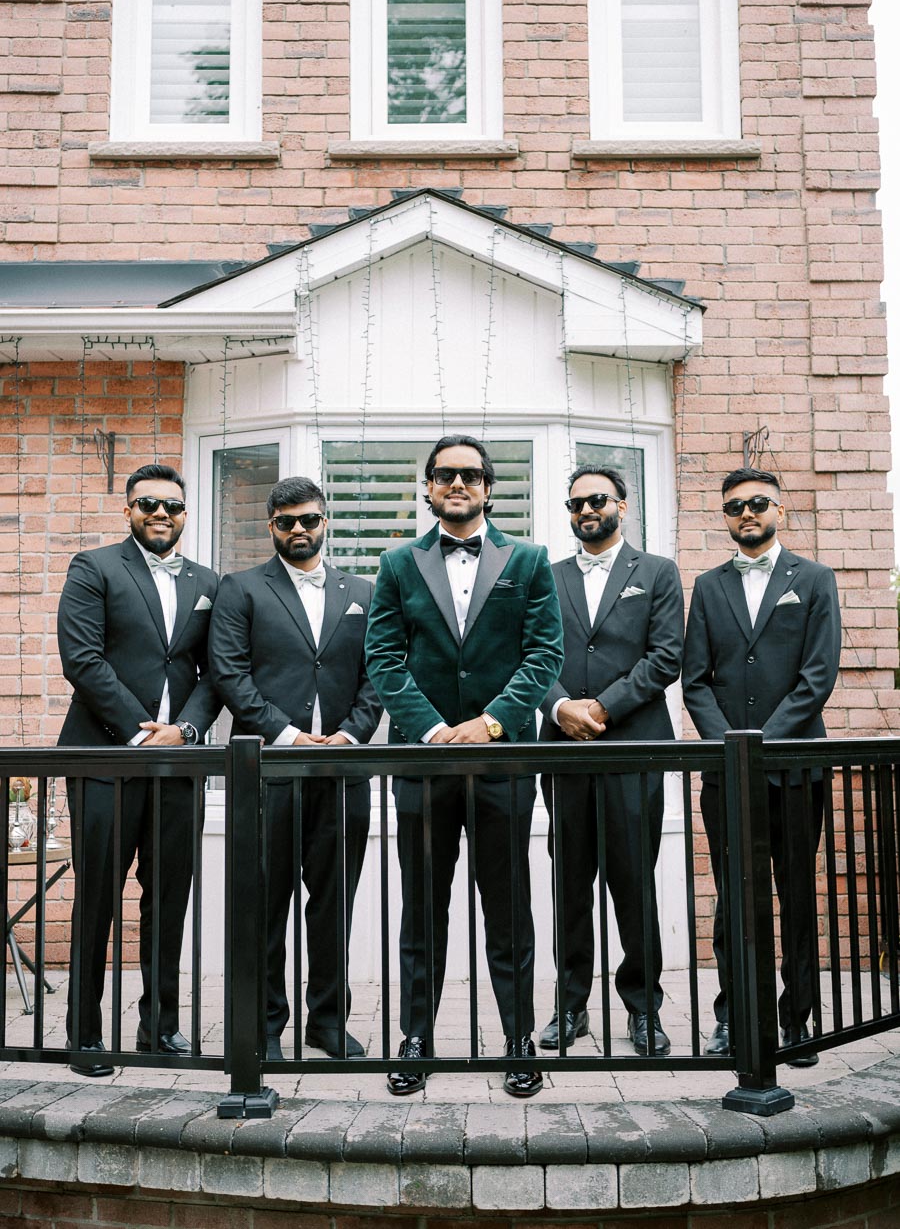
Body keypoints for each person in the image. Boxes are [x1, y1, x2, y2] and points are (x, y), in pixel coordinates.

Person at [365, 434, 564, 1098]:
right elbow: (384, 658)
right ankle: (416, 1040)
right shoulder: (395, 564)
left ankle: (519, 1040)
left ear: (488, 488)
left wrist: (488, 723)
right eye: (445, 475)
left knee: (509, 909)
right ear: (427, 488)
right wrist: (431, 730)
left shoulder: (529, 561)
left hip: (503, 762)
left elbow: (543, 655)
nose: (457, 484)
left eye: (470, 475)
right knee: (423, 907)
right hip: (424, 765)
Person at [208, 476, 382, 1062]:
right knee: (266, 903)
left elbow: (379, 674)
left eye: (309, 518)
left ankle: (329, 1024)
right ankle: (265, 1028)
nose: (299, 529)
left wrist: (351, 734)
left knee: (334, 902)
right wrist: (285, 733)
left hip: (342, 772)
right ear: (272, 526)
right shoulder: (240, 589)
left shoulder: (364, 589)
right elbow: (230, 674)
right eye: (286, 522)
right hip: (267, 769)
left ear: (325, 520)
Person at [57, 463, 220, 1076]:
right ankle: (86, 1035)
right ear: (128, 510)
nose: (161, 513)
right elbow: (83, 658)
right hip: (103, 759)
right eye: (148, 503)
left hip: (179, 764)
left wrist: (188, 732)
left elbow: (217, 673)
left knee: (168, 898)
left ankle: (161, 1026)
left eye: (173, 506)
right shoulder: (94, 568)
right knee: (97, 896)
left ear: (185, 514)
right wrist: (139, 730)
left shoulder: (209, 581)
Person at [682, 467, 842, 1065]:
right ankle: (735, 1015)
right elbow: (694, 681)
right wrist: (731, 747)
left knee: (796, 893)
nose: (746, 514)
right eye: (734, 507)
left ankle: (797, 1019)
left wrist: (761, 744)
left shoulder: (816, 579)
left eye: (757, 504)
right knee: (733, 900)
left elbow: (817, 677)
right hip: (728, 774)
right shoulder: (706, 585)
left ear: (779, 509)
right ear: (725, 517)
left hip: (797, 769)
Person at [539, 465, 683, 1057]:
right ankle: (570, 1006)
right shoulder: (545, 578)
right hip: (563, 752)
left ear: (622, 505)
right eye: (574, 503)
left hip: (632, 747)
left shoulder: (657, 573)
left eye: (596, 499)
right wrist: (558, 708)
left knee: (632, 882)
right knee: (569, 881)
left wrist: (599, 706)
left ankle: (643, 1008)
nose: (585, 511)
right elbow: (532, 656)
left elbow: (666, 657)